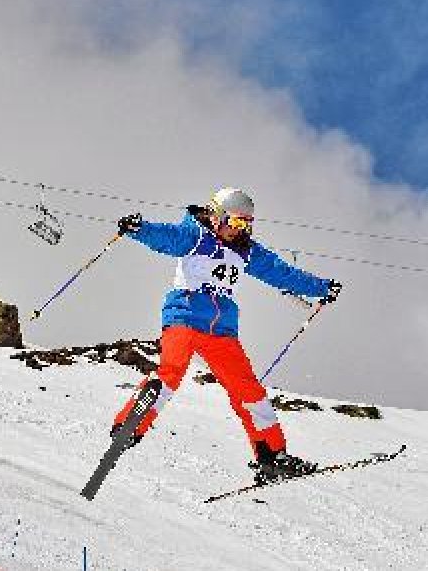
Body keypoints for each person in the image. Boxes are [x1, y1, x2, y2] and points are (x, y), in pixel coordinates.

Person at [111, 187, 342, 483]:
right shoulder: (195, 235)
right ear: (217, 215)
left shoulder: (246, 250)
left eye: (246, 224)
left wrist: (321, 287)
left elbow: (281, 273)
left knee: (248, 390)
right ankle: (131, 424)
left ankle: (271, 455)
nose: (240, 230)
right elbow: (167, 238)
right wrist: (140, 229)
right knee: (170, 373)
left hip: (221, 330)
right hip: (185, 316)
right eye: (235, 222)